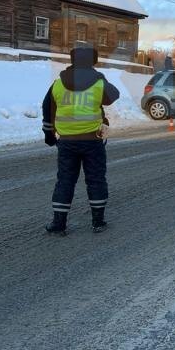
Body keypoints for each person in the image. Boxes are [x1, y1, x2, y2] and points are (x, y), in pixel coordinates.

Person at [42, 47, 120, 235]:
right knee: (95, 179)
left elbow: (47, 109)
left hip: (67, 143)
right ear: (93, 61)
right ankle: (98, 222)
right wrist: (100, 77)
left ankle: (59, 224)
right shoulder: (99, 82)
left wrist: (49, 135)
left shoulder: (58, 84)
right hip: (93, 141)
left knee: (65, 181)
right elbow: (114, 95)